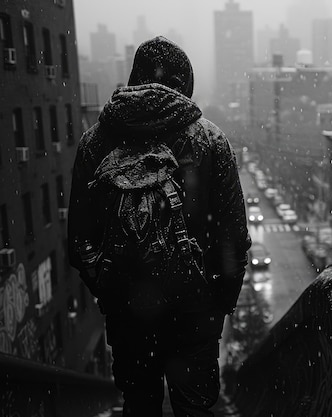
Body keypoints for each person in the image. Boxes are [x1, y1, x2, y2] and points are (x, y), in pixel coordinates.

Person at [68, 36, 251, 416]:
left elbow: (80, 243)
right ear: (186, 87)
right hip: (195, 316)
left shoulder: (94, 143)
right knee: (194, 408)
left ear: (133, 78)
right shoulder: (209, 141)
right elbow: (233, 239)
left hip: (130, 316)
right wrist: (217, 303)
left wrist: (112, 292)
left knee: (140, 405)